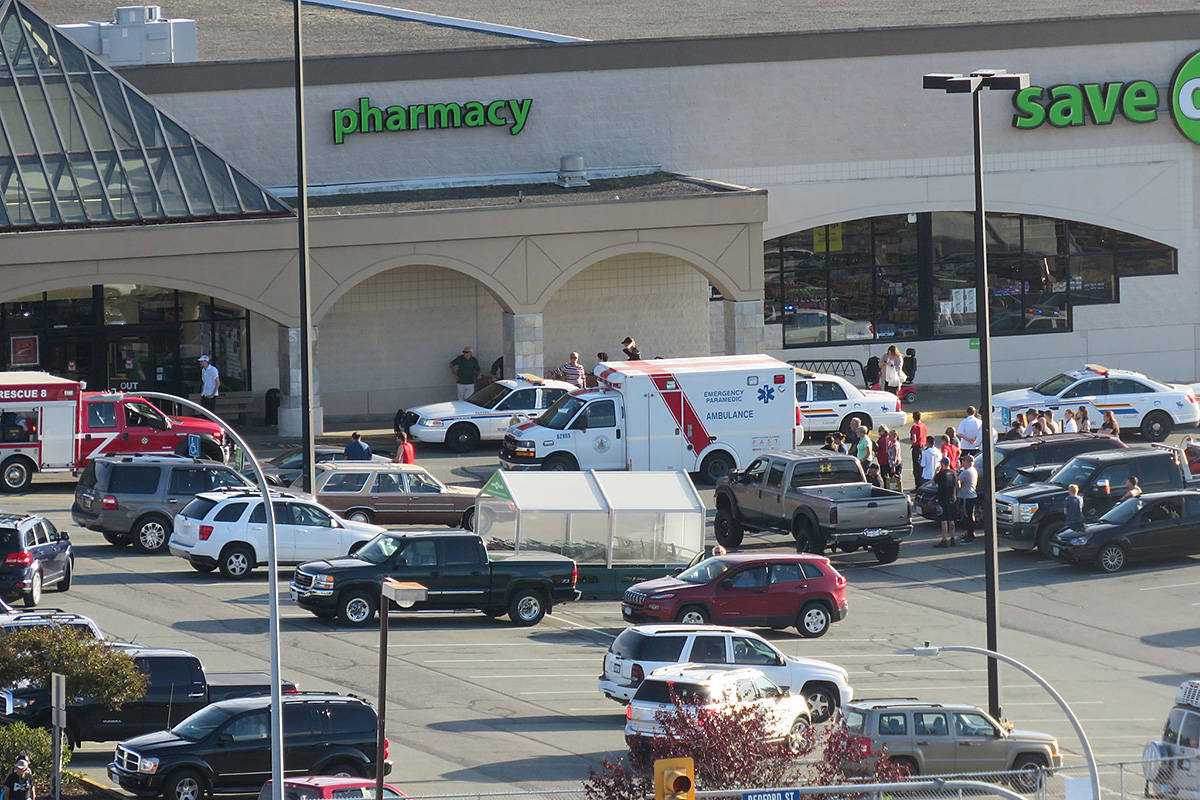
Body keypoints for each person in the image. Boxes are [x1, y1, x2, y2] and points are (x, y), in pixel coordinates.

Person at [933, 457, 958, 547]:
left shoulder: (941, 474)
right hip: (952, 498)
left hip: (943, 499)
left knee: (943, 520)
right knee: (951, 520)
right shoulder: (954, 473)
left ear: (942, 464)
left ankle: (944, 540)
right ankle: (953, 538)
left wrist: (936, 471)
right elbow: (958, 484)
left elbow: (933, 482)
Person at [957, 454, 979, 543]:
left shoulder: (966, 472)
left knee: (967, 516)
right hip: (972, 495)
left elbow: (958, 484)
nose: (962, 462)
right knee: (970, 515)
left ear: (968, 462)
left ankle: (970, 535)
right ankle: (970, 532)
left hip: (967, 496)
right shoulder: (974, 470)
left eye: (963, 461)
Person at [910, 411, 928, 488]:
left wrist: (911, 441)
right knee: (921, 466)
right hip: (923, 446)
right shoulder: (923, 425)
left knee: (916, 467)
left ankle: (918, 485)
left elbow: (914, 439)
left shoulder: (915, 427)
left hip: (916, 447)